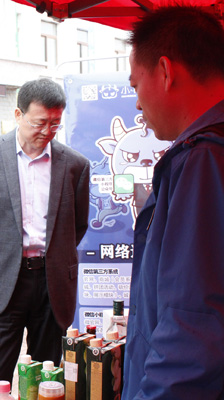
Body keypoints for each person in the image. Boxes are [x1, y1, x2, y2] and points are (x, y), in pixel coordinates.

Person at [0, 78, 90, 395]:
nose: (47, 131)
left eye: (55, 124)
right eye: (39, 122)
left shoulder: (75, 165)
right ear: (18, 114)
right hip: (2, 281)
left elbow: (77, 226)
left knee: (48, 377)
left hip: (52, 283)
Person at [122, 7, 224, 399]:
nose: (137, 104)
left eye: (135, 85)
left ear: (165, 71)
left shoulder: (203, 159)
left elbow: (193, 321)